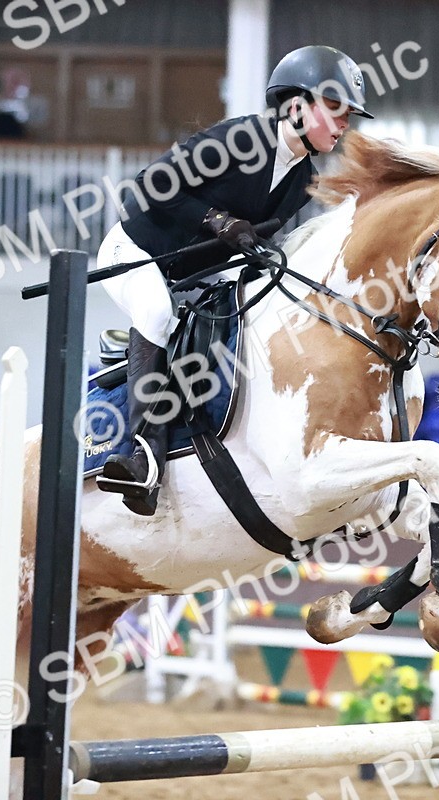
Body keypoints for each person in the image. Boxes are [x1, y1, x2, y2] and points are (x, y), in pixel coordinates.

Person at [94, 45, 373, 515]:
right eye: (336, 108)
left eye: (348, 114)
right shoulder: (240, 139)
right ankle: (143, 455)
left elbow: (255, 243)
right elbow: (147, 185)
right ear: (297, 105)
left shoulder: (302, 176)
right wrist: (219, 221)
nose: (345, 123)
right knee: (157, 311)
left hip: (198, 272)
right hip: (137, 252)